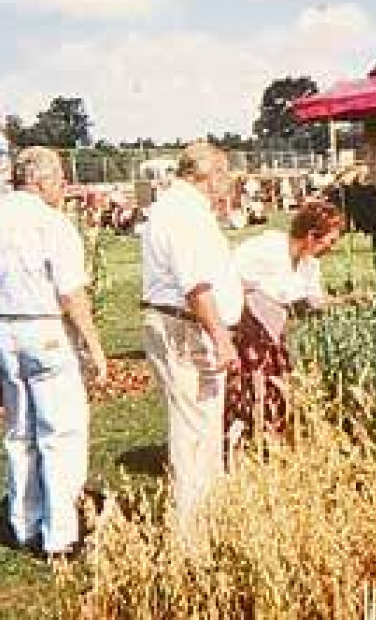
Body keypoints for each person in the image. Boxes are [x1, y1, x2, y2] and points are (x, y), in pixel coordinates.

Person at [0, 146, 108, 558]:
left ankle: (24, 524)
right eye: (59, 180)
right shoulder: (52, 225)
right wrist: (95, 347)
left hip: (3, 333)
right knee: (61, 433)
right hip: (45, 329)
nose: (62, 188)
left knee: (19, 430)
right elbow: (71, 293)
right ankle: (61, 535)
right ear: (41, 182)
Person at [140, 141, 243, 529]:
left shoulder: (183, 208)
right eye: (224, 173)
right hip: (186, 327)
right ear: (208, 174)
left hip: (186, 324)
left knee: (203, 424)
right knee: (194, 428)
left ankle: (208, 516)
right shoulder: (183, 213)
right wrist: (221, 337)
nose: (228, 182)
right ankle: (191, 531)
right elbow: (195, 285)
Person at [225, 202, 346, 439]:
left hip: (273, 331)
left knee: (276, 386)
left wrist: (349, 301)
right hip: (245, 327)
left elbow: (311, 303)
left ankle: (264, 439)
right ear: (312, 236)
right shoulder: (266, 249)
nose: (331, 249)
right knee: (248, 387)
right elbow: (227, 278)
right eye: (329, 242)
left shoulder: (309, 265)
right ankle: (239, 439)